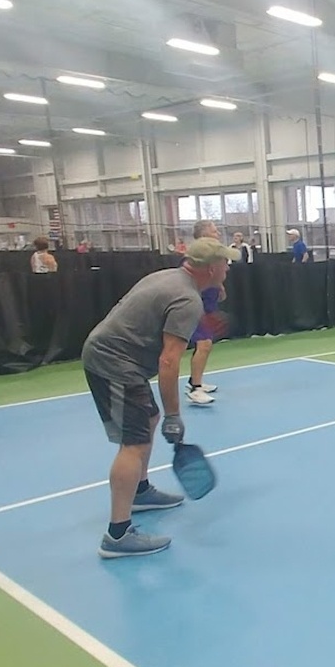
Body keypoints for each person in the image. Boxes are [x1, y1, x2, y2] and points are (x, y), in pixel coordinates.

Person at [81, 235, 240, 558]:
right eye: (225, 262)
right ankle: (117, 535)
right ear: (211, 268)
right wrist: (173, 415)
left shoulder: (170, 277)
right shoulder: (186, 300)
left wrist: (212, 289)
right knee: (134, 442)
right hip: (113, 363)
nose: (229, 266)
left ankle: (140, 492)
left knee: (146, 419)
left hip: (115, 356)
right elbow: (168, 362)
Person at [186, 278, 226, 405]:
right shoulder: (194, 263)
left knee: (204, 346)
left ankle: (195, 381)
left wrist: (219, 285)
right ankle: (195, 389)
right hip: (197, 309)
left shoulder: (214, 266)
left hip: (208, 307)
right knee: (204, 344)